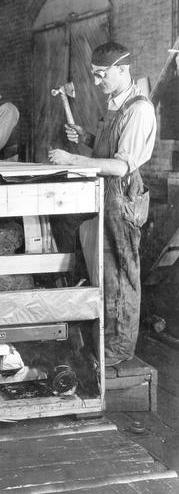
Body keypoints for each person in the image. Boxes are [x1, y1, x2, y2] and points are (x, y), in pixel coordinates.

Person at [48, 42, 157, 367]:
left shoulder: (139, 109)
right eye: (94, 76)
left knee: (120, 277)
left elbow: (122, 166)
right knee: (101, 272)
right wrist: (85, 136)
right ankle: (100, 344)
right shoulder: (116, 104)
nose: (97, 82)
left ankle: (117, 352)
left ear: (123, 69)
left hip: (121, 198)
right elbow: (108, 149)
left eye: (101, 75)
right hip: (103, 195)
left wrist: (73, 159)